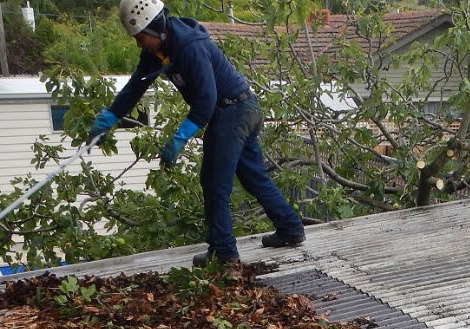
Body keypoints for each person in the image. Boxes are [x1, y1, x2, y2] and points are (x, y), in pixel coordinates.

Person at [88, 0, 306, 266]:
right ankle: (291, 229)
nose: (139, 44)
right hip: (240, 107)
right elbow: (136, 86)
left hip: (232, 111)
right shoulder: (157, 50)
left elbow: (206, 100)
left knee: (214, 183)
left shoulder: (190, 46)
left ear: (155, 28)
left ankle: (223, 252)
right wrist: (111, 115)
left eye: (141, 37)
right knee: (252, 176)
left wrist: (179, 138)